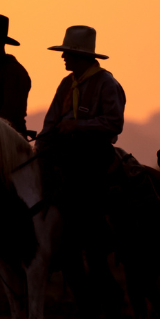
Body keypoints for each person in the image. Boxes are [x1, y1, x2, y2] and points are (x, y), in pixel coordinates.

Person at [36, 26, 126, 228]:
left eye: (67, 53)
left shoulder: (107, 83)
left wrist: (77, 126)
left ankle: (94, 235)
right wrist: (40, 147)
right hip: (63, 149)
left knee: (81, 194)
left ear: (79, 55)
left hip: (93, 152)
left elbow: (114, 123)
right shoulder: (66, 84)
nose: (63, 57)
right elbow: (50, 122)